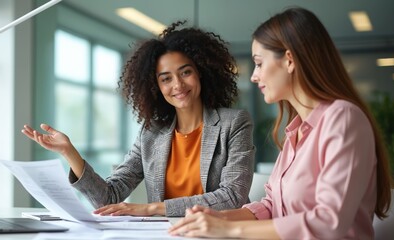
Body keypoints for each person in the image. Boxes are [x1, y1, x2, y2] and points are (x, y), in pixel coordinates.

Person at [169, 7, 394, 239]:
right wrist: (219, 217)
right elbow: (273, 206)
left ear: (289, 60)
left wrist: (227, 229)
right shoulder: (296, 131)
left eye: (259, 63)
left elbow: (329, 222)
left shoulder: (343, 119)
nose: (254, 76)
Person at [22, 21, 255, 217]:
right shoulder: (151, 133)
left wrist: (151, 208)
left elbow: (232, 196)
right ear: (156, 87)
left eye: (185, 72)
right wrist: (70, 153)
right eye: (166, 79)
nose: (178, 85)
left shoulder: (233, 123)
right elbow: (108, 198)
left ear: (200, 72)